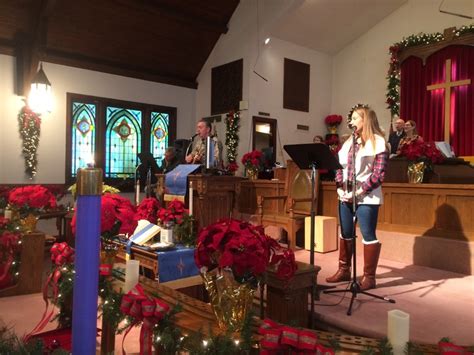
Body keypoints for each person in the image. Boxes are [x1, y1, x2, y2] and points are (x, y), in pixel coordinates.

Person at [326, 105, 388, 291]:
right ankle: (344, 270)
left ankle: (369, 277)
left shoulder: (378, 141)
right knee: (345, 232)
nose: (350, 122)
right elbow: (338, 166)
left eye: (354, 118)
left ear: (365, 120)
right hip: (345, 194)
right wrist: (339, 187)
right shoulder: (348, 142)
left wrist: (359, 192)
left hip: (367, 195)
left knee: (368, 234)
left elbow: (379, 174)